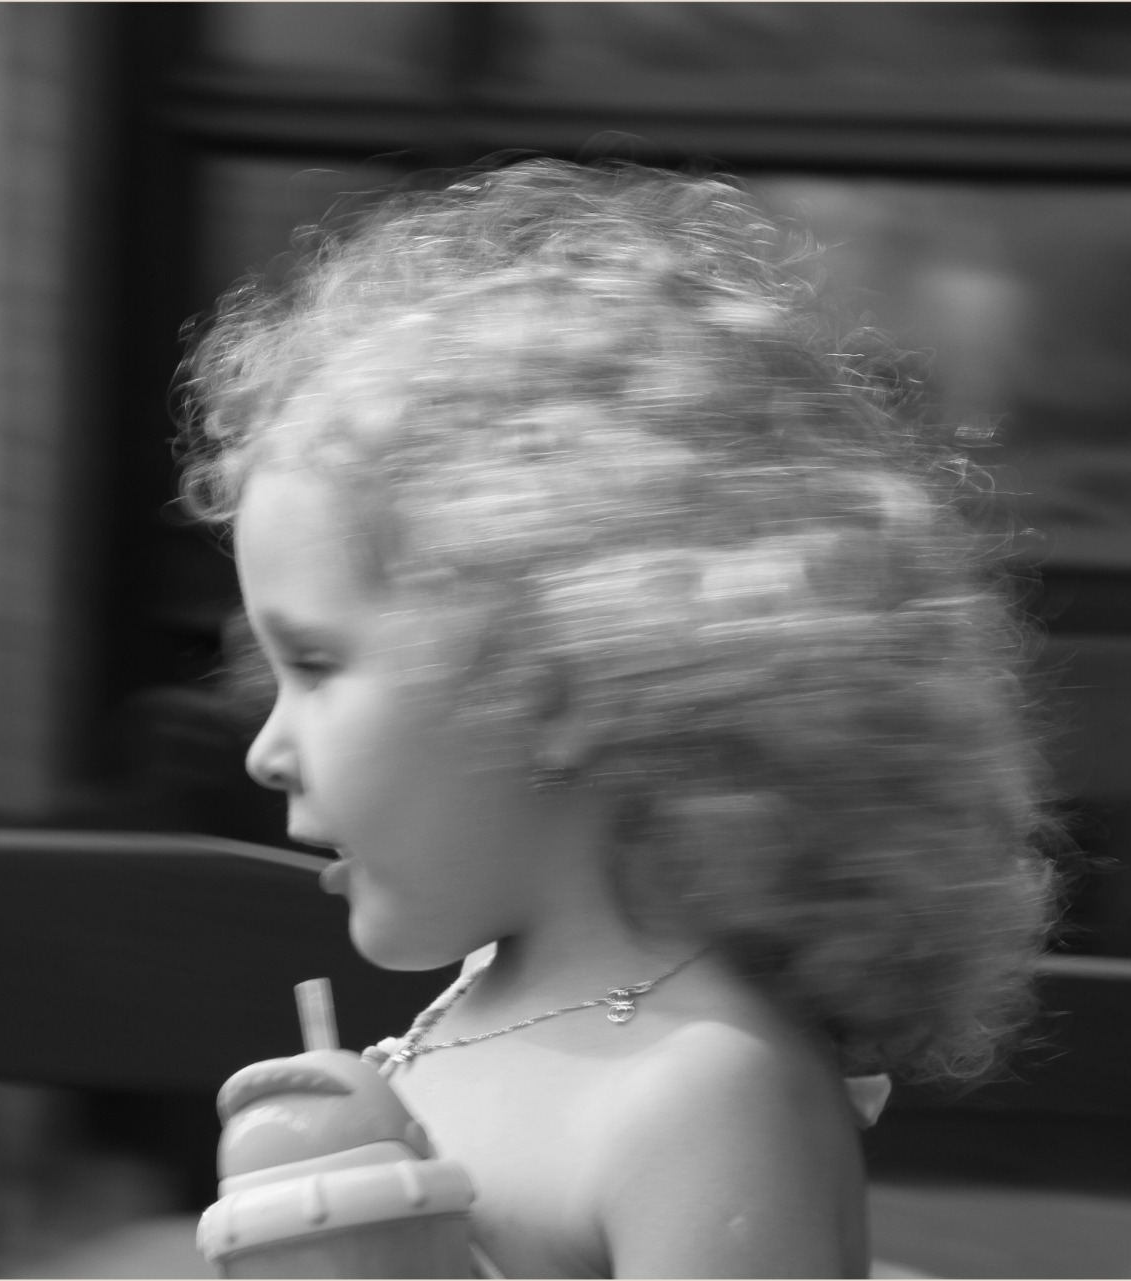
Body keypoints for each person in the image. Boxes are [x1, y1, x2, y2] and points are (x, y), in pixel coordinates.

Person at [176, 159, 1058, 1278]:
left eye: (313, 663)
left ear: (552, 678)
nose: (265, 750)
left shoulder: (700, 1093)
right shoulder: (477, 1002)